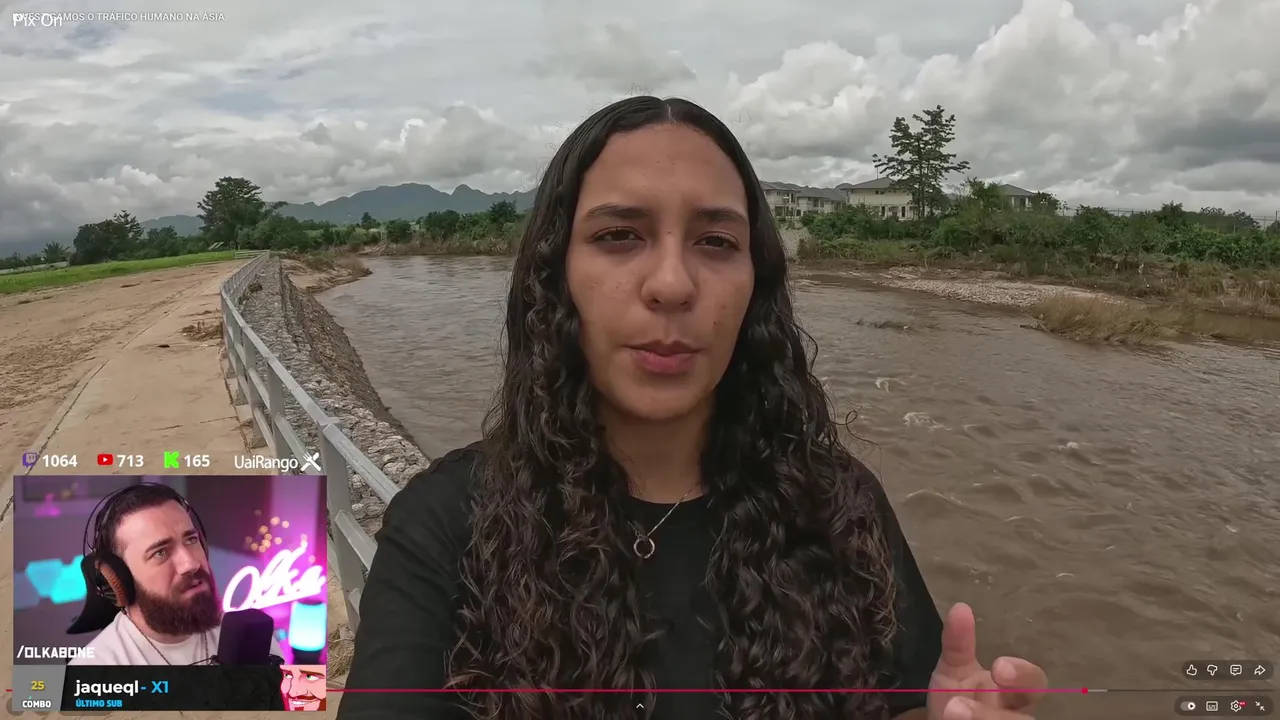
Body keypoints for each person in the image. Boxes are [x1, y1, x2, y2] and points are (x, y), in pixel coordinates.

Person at [339, 96, 1048, 720]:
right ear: (555, 275)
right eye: (620, 235)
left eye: (716, 242)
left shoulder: (839, 506)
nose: (674, 284)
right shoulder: (446, 526)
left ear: (754, 283)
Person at [69, 483, 283, 665]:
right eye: (160, 552)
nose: (191, 563)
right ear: (119, 578)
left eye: (191, 540)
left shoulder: (253, 640)